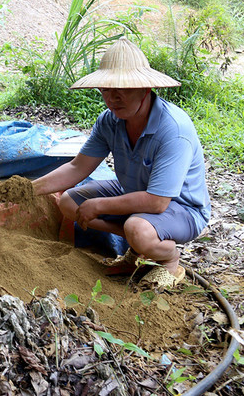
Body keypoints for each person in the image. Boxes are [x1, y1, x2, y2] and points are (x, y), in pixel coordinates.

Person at [33, 37, 210, 288]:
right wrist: (29, 189)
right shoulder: (109, 121)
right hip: (134, 191)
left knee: (137, 228)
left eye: (123, 88)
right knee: (69, 202)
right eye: (106, 89)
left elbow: (158, 202)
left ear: (145, 89)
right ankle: (137, 249)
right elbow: (78, 167)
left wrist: (99, 205)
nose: (113, 97)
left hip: (182, 207)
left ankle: (169, 259)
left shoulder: (173, 130)